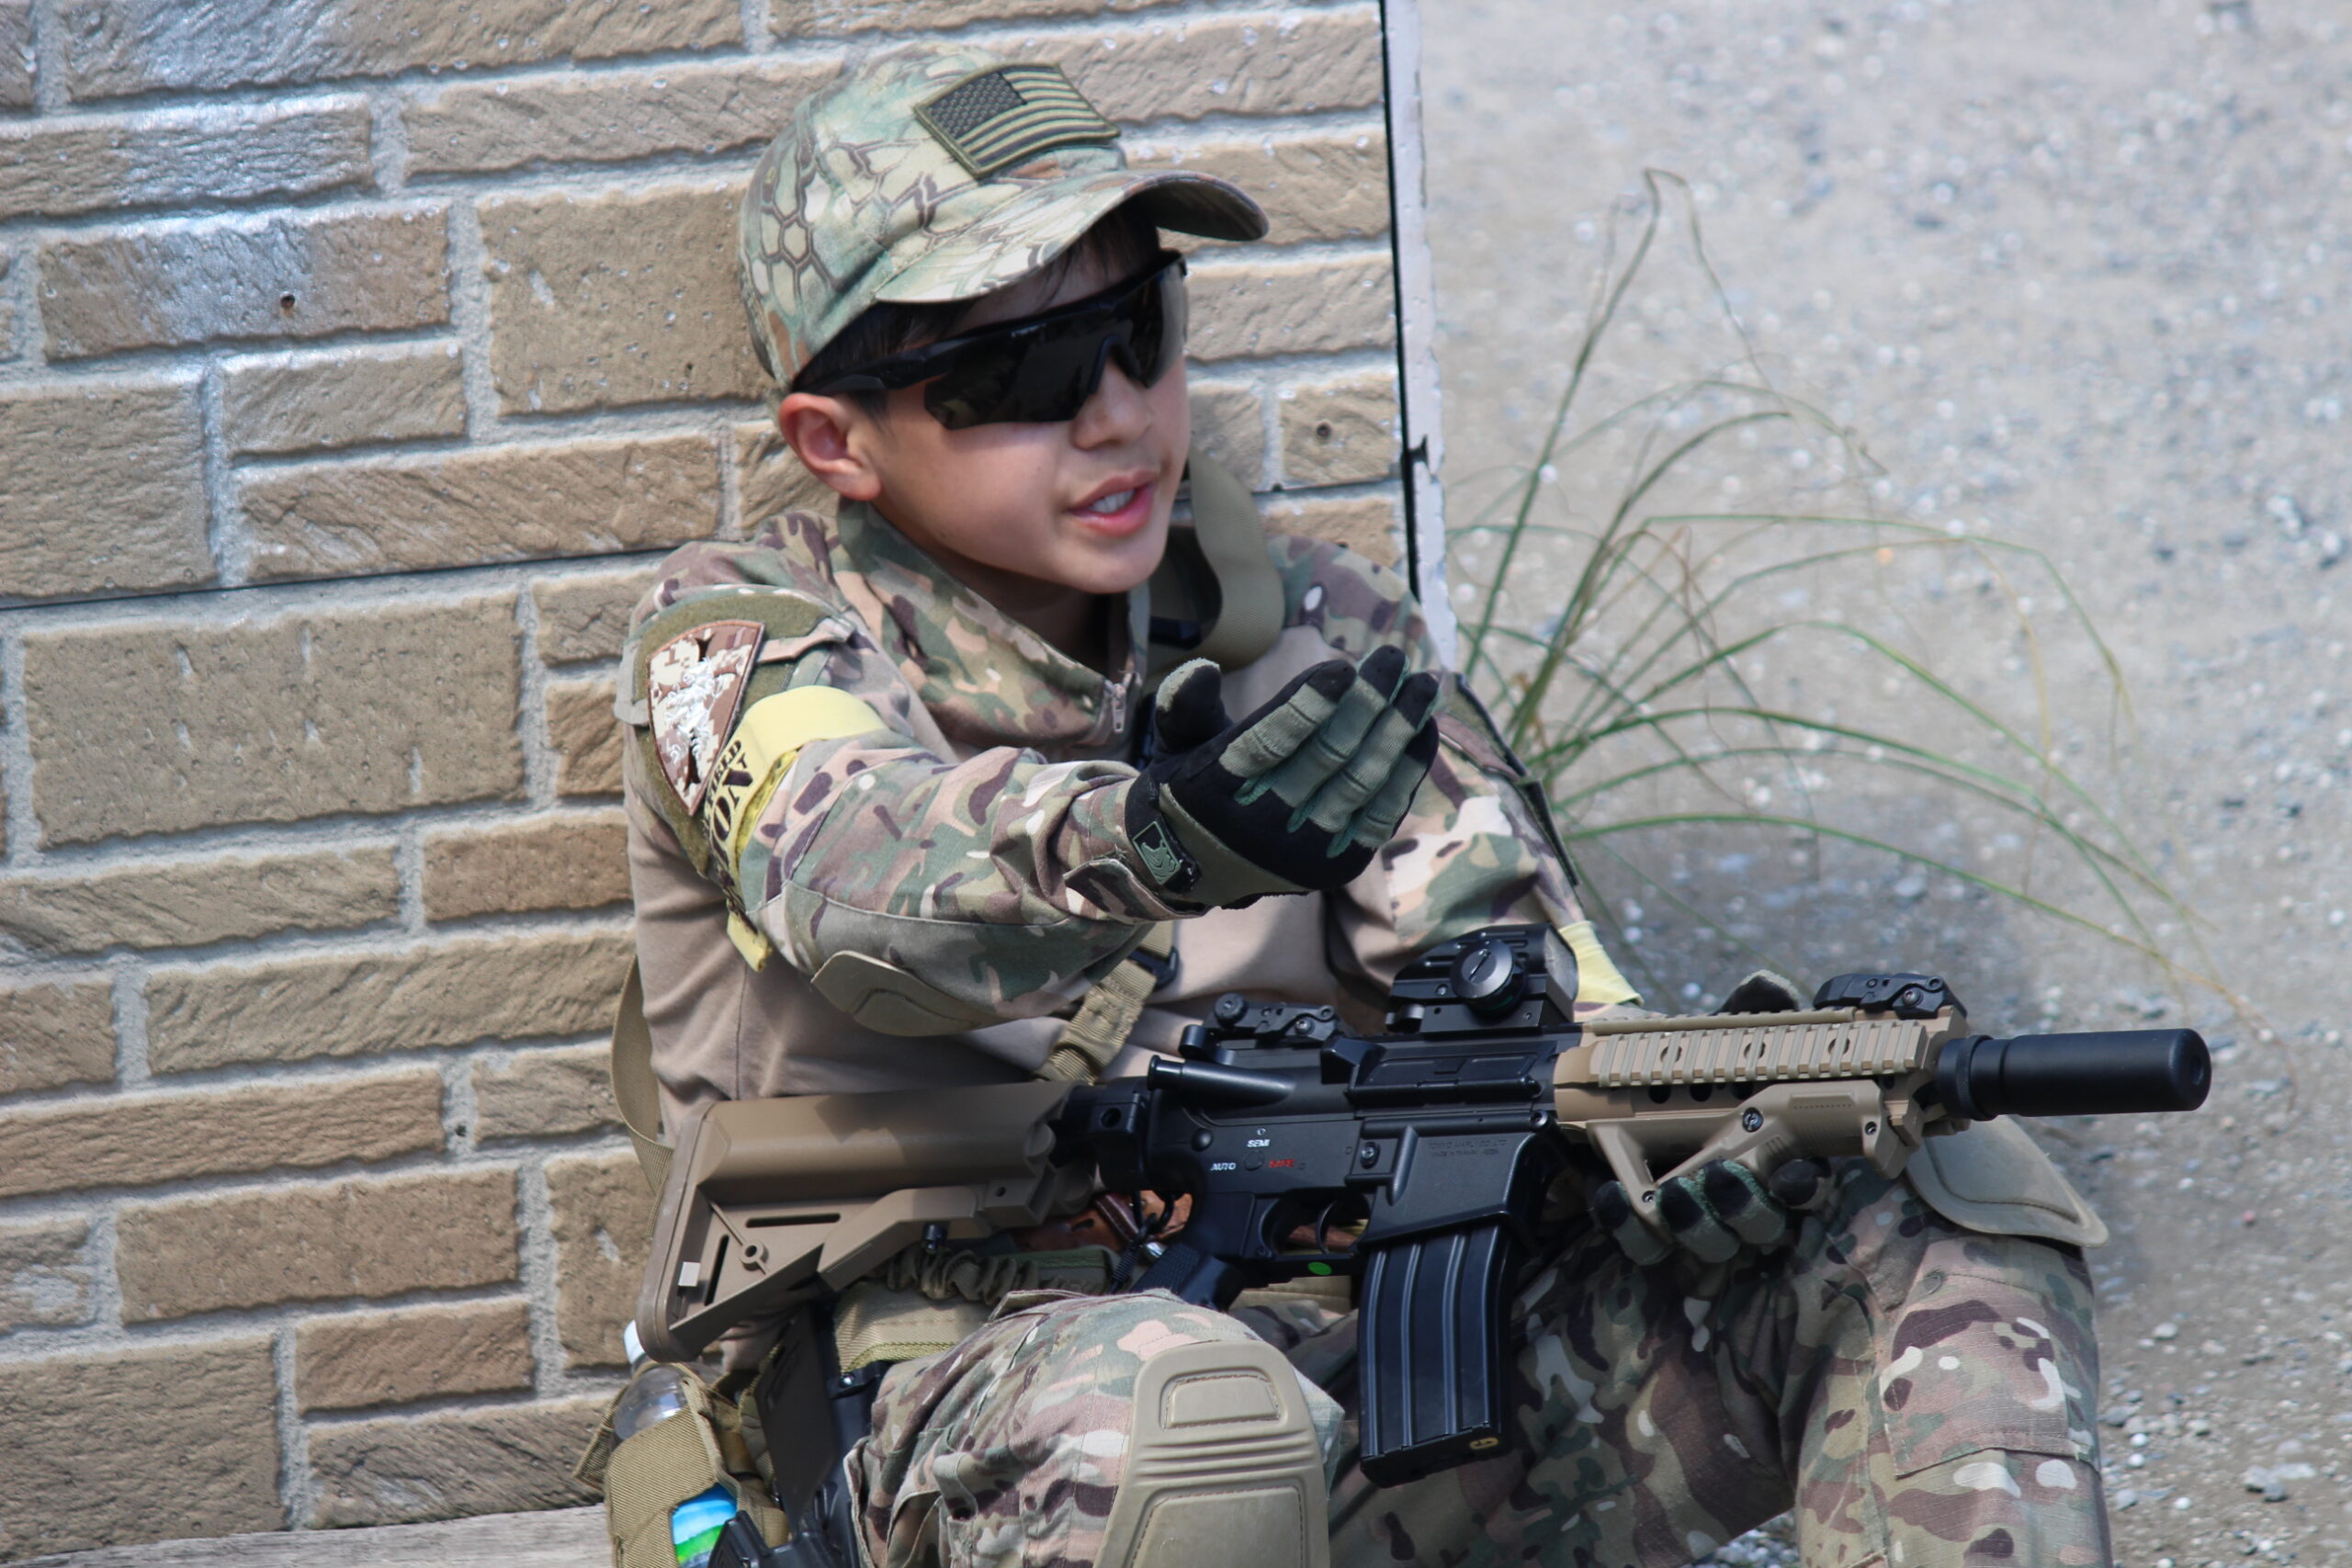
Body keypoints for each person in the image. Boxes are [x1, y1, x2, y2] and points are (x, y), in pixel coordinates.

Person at [611, 41, 2116, 1568]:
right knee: (1188, 1416)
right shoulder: (738, 644)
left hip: (1361, 1379)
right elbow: (869, 893)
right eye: (1023, 376)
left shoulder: (1314, 634)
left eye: (1141, 330)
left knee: (1926, 1208)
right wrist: (1154, 840)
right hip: (956, 1413)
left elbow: (1526, 986)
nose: (1119, 414)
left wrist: (1696, 1126)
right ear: (837, 439)